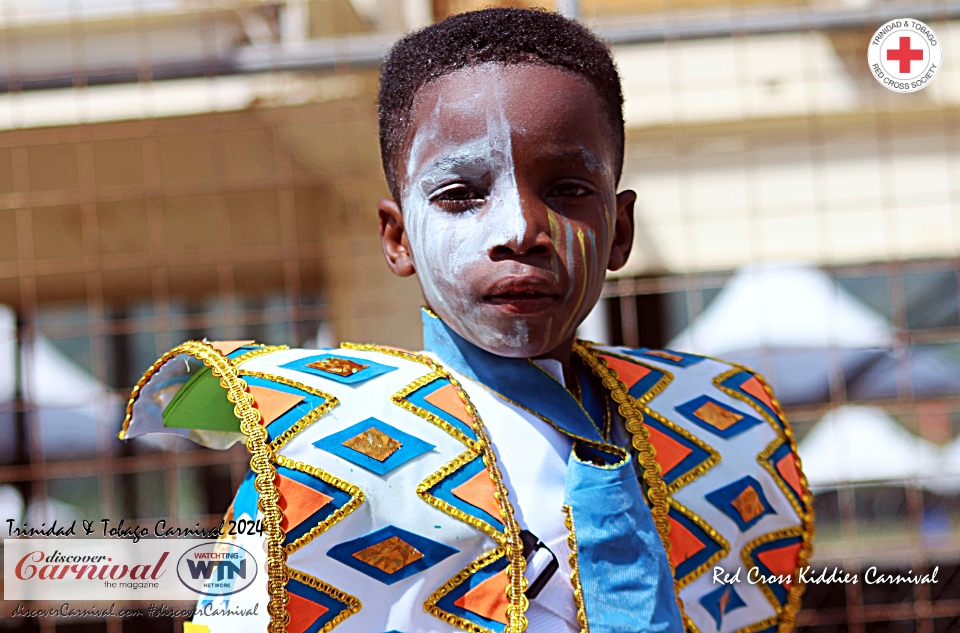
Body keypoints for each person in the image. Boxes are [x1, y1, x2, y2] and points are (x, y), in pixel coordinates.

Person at [120, 8, 814, 633]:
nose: (520, 230)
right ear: (397, 239)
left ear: (620, 228)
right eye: (461, 195)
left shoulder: (719, 432)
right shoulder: (314, 456)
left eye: (568, 190)